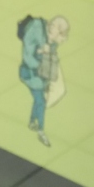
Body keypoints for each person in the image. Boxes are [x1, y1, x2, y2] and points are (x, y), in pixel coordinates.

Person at [18, 14, 69, 147]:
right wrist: (41, 54)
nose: (58, 42)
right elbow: (27, 56)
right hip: (29, 73)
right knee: (40, 100)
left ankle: (32, 122)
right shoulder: (36, 30)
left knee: (39, 100)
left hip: (40, 76)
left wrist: (47, 50)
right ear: (54, 29)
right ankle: (40, 130)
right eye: (59, 37)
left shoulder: (50, 39)